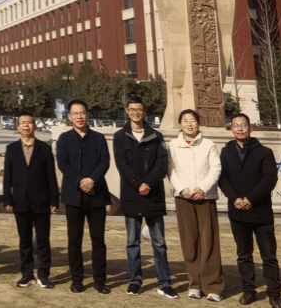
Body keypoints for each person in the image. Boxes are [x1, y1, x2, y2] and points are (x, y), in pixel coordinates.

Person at [113, 97, 177, 299]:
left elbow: (161, 163)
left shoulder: (155, 136)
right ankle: (135, 280)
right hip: (131, 195)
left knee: (159, 242)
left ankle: (164, 282)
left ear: (144, 111)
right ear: (127, 111)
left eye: (139, 109)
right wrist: (137, 184)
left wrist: (148, 183)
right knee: (132, 242)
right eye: (132, 109)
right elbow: (122, 165)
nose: (135, 112)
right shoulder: (120, 136)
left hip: (153, 195)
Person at [219, 114, 281, 307]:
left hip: (260, 211)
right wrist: (236, 199)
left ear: (250, 128)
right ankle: (249, 290)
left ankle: (274, 293)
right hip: (237, 210)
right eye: (236, 125)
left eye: (243, 125)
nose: (239, 128)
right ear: (231, 129)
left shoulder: (264, 152)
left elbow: (269, 179)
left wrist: (250, 199)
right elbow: (222, 179)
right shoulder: (226, 152)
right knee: (243, 254)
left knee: (268, 256)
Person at [169, 108, 225, 301]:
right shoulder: (173, 145)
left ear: (198, 123)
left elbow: (215, 168)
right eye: (185, 121)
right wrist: (182, 189)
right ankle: (194, 284)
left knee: (209, 242)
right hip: (183, 198)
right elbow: (170, 170)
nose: (189, 124)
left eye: (192, 120)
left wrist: (202, 188)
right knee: (189, 243)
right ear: (180, 124)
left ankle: (213, 286)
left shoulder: (208, 144)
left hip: (205, 198)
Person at [56, 99, 111, 294]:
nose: (79, 117)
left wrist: (92, 180)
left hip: (97, 195)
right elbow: (62, 163)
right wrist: (80, 181)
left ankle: (100, 280)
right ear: (69, 117)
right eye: (75, 113)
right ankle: (77, 279)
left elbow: (105, 161)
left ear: (87, 115)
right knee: (74, 240)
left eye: (82, 113)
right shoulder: (64, 139)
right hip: (74, 196)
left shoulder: (98, 138)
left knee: (98, 240)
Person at [3, 112, 58, 289]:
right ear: (18, 127)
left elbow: (51, 176)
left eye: (29, 122)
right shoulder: (11, 149)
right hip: (20, 201)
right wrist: (7, 199)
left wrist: (54, 200)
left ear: (34, 126)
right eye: (23, 123)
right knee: (24, 241)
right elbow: (7, 177)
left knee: (43, 241)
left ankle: (44, 275)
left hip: (41, 201)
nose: (26, 126)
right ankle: (26, 274)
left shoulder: (44, 148)